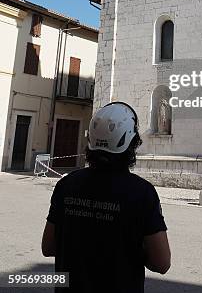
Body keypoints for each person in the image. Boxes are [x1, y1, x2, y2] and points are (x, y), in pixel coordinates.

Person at [42, 101, 171, 292]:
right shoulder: (142, 193)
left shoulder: (66, 185)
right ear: (132, 143)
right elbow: (161, 263)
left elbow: (48, 247)